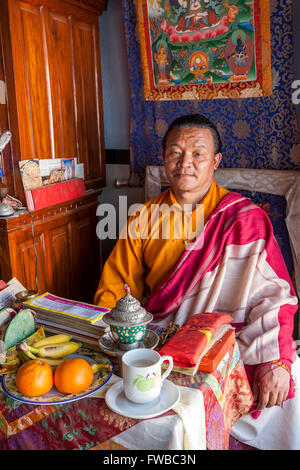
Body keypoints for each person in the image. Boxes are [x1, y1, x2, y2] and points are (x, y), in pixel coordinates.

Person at [94, 113, 299, 450]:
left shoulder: (244, 219)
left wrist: (276, 359)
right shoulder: (141, 219)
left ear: (215, 161)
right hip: (164, 344)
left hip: (232, 346)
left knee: (290, 382)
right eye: (175, 153)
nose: (185, 163)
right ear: (164, 159)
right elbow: (113, 291)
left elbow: (275, 296)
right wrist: (116, 345)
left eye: (198, 154)